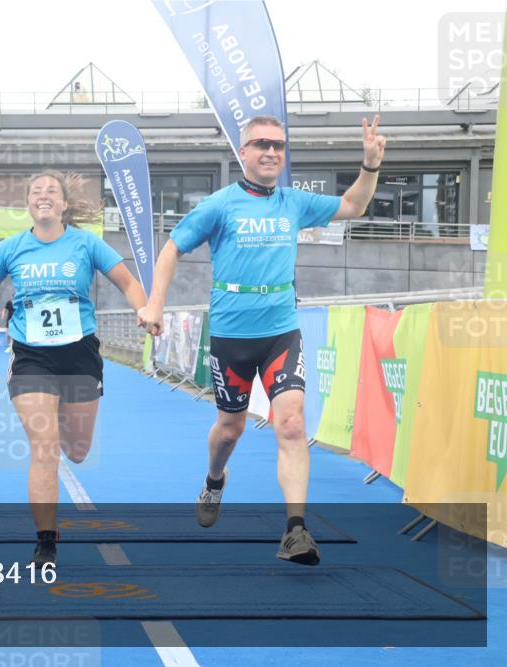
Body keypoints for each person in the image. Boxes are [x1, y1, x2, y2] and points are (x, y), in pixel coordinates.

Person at [140, 115, 386, 566]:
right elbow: (172, 248)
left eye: (278, 145)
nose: (272, 152)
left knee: (290, 423)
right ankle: (215, 479)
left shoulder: (294, 202)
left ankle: (296, 530)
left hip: (280, 332)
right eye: (261, 144)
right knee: (229, 430)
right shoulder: (220, 205)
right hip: (231, 335)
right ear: (243, 151)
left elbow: (354, 205)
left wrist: (369, 165)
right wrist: (155, 304)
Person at [0, 171, 148, 565]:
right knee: (44, 446)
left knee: (77, 450)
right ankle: (46, 542)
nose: (44, 195)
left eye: (52, 191)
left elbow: (128, 282)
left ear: (64, 205)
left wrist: (144, 309)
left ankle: (61, 417)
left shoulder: (87, 244)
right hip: (32, 357)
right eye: (36, 191)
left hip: (79, 355)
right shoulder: (11, 248)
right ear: (28, 204)